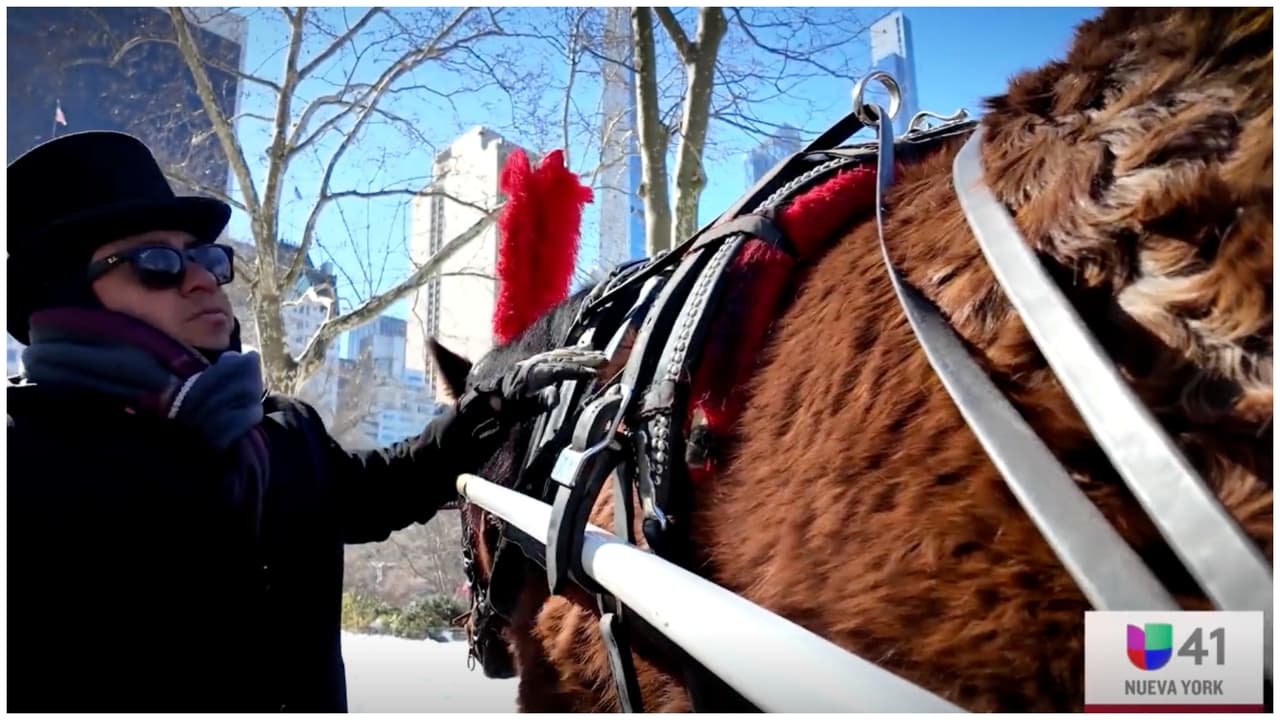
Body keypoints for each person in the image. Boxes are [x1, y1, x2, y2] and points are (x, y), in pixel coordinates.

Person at [5, 131, 605, 712]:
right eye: (157, 262)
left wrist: (488, 405)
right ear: (66, 298)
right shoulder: (24, 460)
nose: (200, 278)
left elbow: (380, 490)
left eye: (208, 258)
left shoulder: (280, 430)